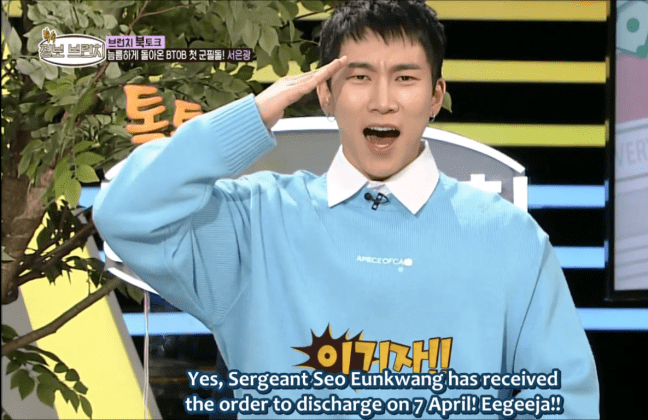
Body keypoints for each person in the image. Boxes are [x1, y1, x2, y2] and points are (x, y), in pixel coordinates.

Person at [94, 0, 599, 418]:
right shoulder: (256, 222)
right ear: (326, 94)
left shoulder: (509, 237)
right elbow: (125, 213)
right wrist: (252, 116)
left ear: (435, 97)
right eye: (359, 76)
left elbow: (561, 400)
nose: (383, 101)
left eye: (405, 78)